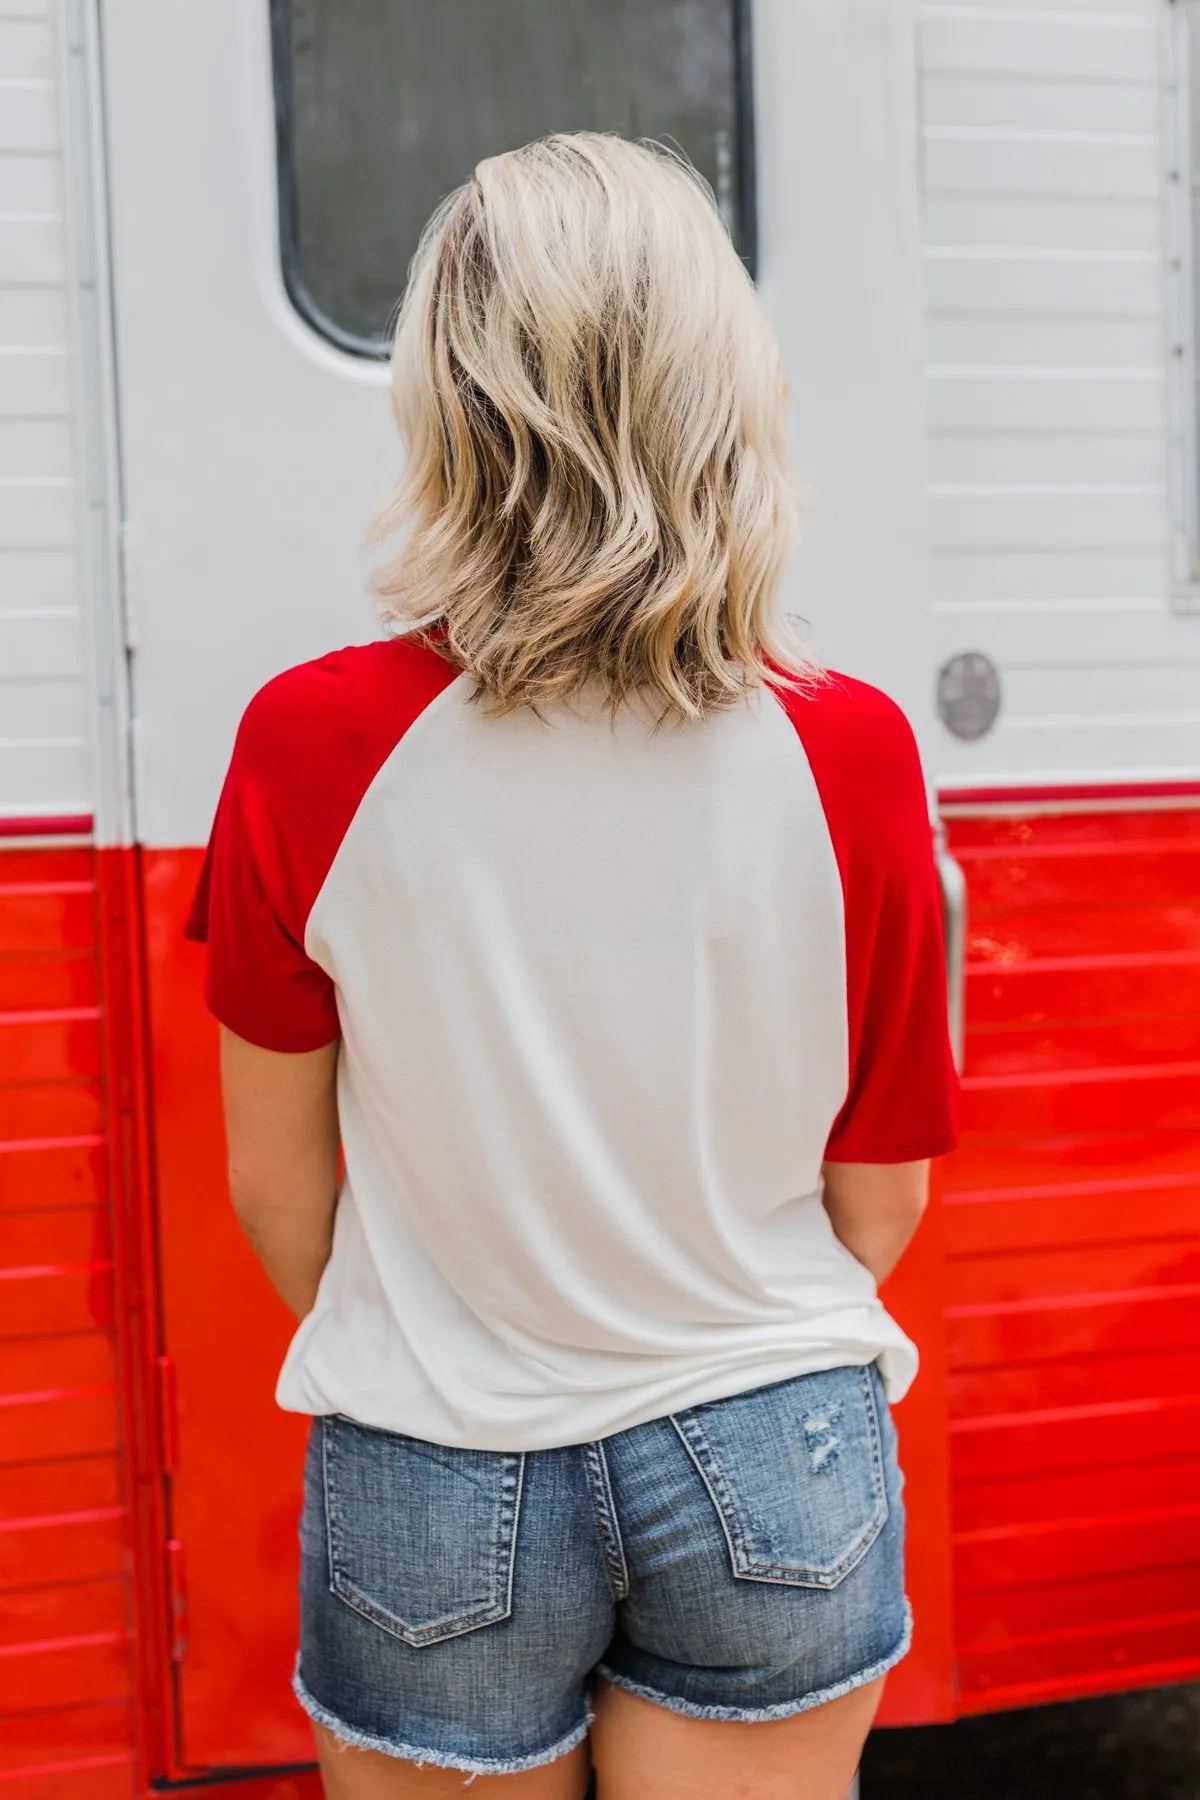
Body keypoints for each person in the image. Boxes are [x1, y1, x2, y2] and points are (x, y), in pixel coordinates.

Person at [187, 133, 959, 1800]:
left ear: (445, 398)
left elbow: (272, 1181)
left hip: (439, 1460)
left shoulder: (310, 743)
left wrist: (458, 1329)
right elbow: (881, 1197)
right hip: (777, 1438)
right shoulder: (855, 752)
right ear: (722, 390)